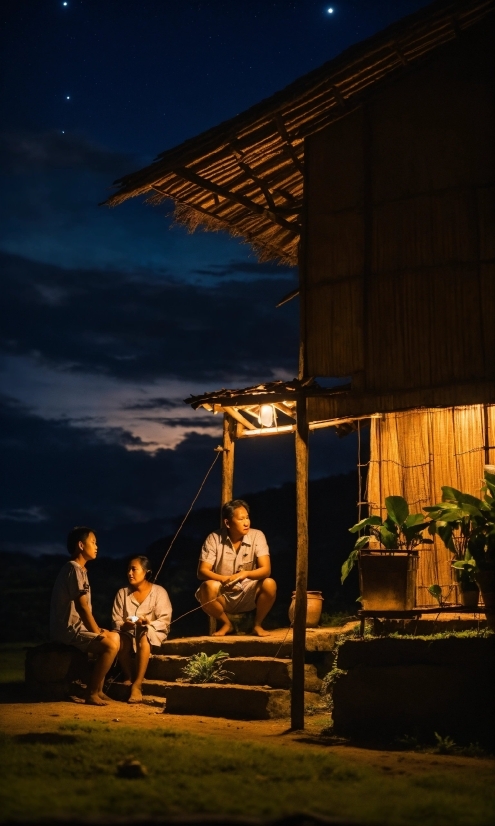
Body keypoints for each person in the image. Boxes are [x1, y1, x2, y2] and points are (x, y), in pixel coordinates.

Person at [50, 526, 120, 706]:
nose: (96, 546)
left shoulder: (81, 570)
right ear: (81, 545)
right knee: (109, 645)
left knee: (115, 636)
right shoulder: (73, 569)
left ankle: (98, 690)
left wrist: (98, 631)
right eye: (93, 542)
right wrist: (96, 631)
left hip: (77, 627)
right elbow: (82, 608)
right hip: (68, 629)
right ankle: (91, 692)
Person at [196, 499, 276, 637]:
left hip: (248, 592)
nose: (246, 522)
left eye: (247, 517)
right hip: (223, 593)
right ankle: (227, 624)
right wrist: (225, 579)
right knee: (207, 587)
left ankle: (257, 625)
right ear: (227, 523)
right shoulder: (214, 538)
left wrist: (245, 574)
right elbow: (202, 571)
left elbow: (266, 569)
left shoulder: (257, 536)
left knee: (270, 584)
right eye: (241, 519)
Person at [112, 556, 172, 704]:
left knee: (144, 634)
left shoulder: (159, 592)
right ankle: (128, 676)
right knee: (121, 638)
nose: (130, 573)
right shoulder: (122, 593)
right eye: (128, 570)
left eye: (134, 569)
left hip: (151, 632)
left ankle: (137, 684)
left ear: (146, 572)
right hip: (128, 633)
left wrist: (148, 623)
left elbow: (164, 620)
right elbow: (116, 620)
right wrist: (124, 626)